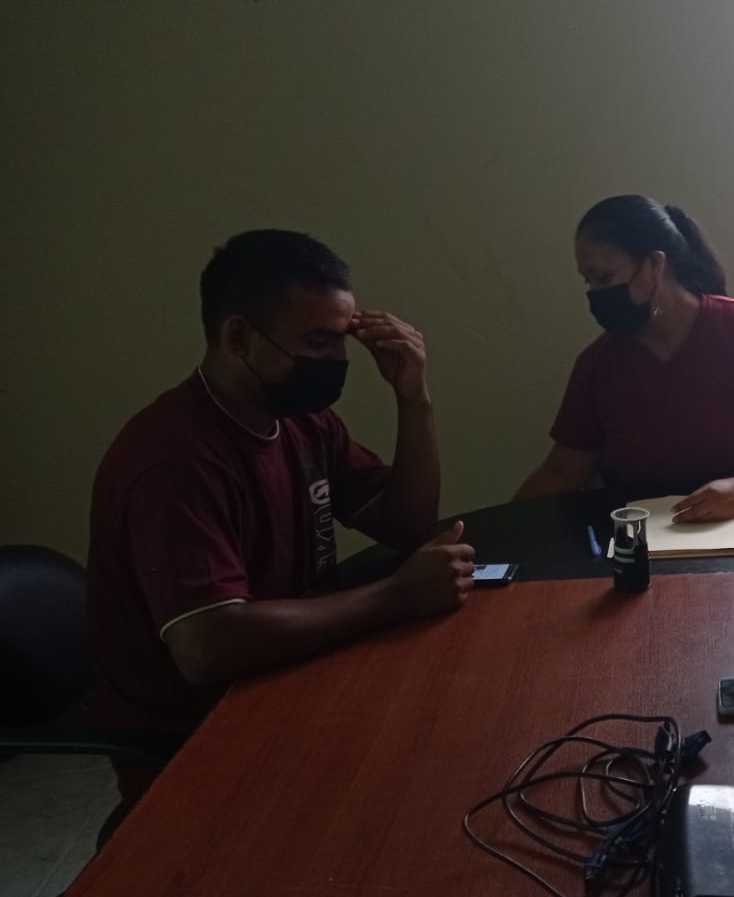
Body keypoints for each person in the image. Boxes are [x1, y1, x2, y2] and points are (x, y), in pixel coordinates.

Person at [87, 229, 475, 747]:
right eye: (317, 342)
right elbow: (207, 646)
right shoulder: (173, 459)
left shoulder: (302, 420)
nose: (336, 360)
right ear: (238, 338)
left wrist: (413, 397)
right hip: (196, 737)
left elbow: (405, 525)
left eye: (342, 340)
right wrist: (395, 596)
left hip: (292, 673)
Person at [516, 194, 734, 522]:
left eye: (604, 278)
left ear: (655, 265)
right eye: (588, 281)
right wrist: (499, 531)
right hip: (642, 530)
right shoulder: (598, 365)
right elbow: (563, 470)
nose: (595, 294)